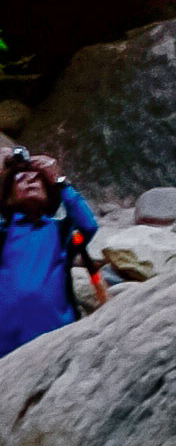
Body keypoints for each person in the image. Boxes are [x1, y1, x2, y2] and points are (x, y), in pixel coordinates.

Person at [0, 152, 101, 361]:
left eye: (38, 178)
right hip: (6, 351)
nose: (30, 179)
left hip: (56, 344)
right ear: (9, 198)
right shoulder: (3, 234)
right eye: (21, 178)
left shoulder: (61, 232)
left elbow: (89, 225)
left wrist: (61, 181)